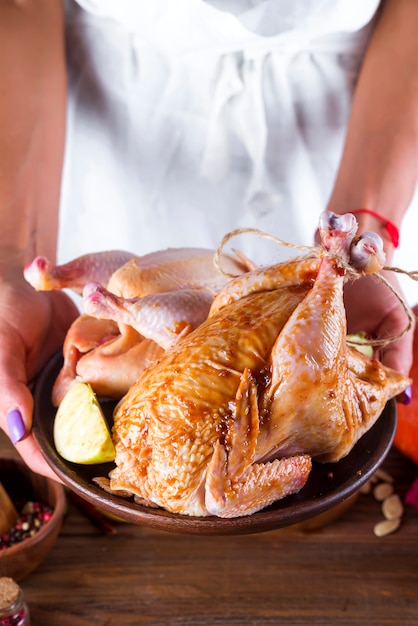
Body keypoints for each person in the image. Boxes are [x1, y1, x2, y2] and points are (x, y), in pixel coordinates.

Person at [0, 0, 417, 480]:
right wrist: (19, 255)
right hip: (113, 127)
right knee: (127, 297)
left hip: (357, 123)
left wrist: (365, 225)